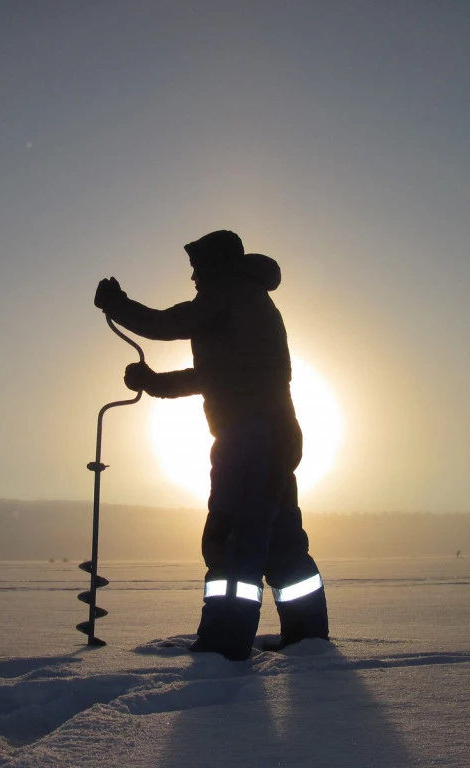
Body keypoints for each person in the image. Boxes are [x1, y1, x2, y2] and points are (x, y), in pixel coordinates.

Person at [94, 230, 329, 660]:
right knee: (279, 540)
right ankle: (308, 636)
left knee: (234, 536)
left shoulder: (230, 294)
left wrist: (117, 304)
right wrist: (155, 383)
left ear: (214, 266)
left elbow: (167, 323)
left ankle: (224, 642)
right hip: (274, 435)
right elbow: (215, 376)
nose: (194, 278)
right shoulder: (248, 302)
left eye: (196, 268)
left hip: (250, 438)